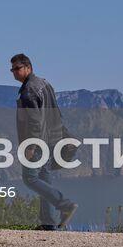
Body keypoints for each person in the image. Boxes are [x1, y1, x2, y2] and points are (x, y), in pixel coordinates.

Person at [11, 53, 78, 230]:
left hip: (38, 143)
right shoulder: (45, 84)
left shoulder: (29, 91)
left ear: (28, 68)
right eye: (12, 70)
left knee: (30, 178)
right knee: (44, 178)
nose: (14, 73)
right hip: (51, 140)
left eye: (17, 68)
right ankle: (48, 224)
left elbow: (34, 121)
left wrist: (30, 146)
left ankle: (65, 204)